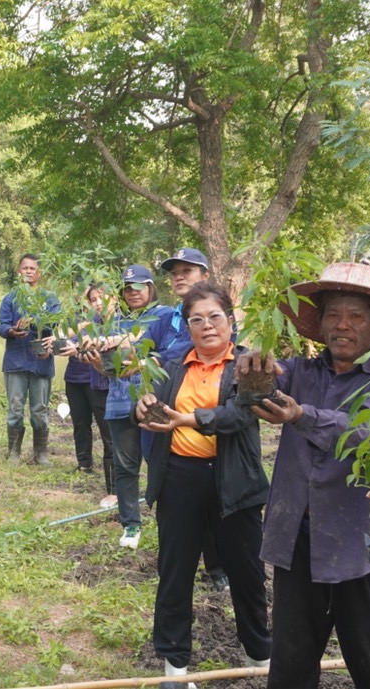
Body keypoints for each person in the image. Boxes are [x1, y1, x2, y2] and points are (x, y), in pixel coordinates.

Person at [242, 261, 370, 689]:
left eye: (356, 316)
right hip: (299, 538)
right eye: (333, 315)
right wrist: (248, 373)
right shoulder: (299, 373)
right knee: (290, 665)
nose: (343, 325)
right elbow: (250, 396)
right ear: (318, 324)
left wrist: (302, 415)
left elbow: (368, 433)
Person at [135, 282, 272, 686]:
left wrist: (189, 419)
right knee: (174, 573)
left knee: (247, 572)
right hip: (180, 477)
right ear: (188, 325)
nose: (207, 326)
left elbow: (241, 415)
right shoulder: (173, 363)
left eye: (215, 317)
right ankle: (175, 669)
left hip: (235, 480)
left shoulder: (251, 364)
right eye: (197, 319)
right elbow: (148, 409)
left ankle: (259, 655)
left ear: (230, 320)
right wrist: (142, 407)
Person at [156, 247, 229, 592]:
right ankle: (176, 567)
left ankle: (217, 567)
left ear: (205, 275)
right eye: (175, 272)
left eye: (188, 270)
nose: (180, 276)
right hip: (168, 424)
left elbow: (168, 356)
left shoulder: (217, 319)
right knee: (175, 502)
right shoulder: (166, 317)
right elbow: (142, 353)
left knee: (217, 505)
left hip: (214, 439)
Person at [98, 264, 174, 549]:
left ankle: (170, 520)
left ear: (150, 287)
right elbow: (108, 366)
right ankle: (131, 523)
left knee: (161, 463)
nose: (133, 292)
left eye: (139, 287)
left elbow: (168, 353)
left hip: (154, 400)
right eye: (128, 288)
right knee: (125, 466)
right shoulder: (112, 321)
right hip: (119, 401)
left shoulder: (165, 315)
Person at [0, 254, 59, 464]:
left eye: (33, 268)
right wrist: (11, 330)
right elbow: (1, 324)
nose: (29, 271)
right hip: (16, 360)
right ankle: (13, 452)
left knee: (40, 409)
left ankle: (40, 453)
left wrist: (34, 320)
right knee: (15, 407)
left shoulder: (49, 298)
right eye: (25, 268)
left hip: (41, 360)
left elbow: (56, 324)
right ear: (18, 272)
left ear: (38, 273)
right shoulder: (10, 298)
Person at [59, 284, 113, 503]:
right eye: (92, 299)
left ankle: (114, 482)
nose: (97, 303)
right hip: (75, 378)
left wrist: (80, 348)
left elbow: (102, 348)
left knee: (106, 428)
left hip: (98, 381)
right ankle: (84, 464)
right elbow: (62, 335)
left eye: (101, 298)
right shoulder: (82, 320)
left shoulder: (113, 324)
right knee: (80, 424)